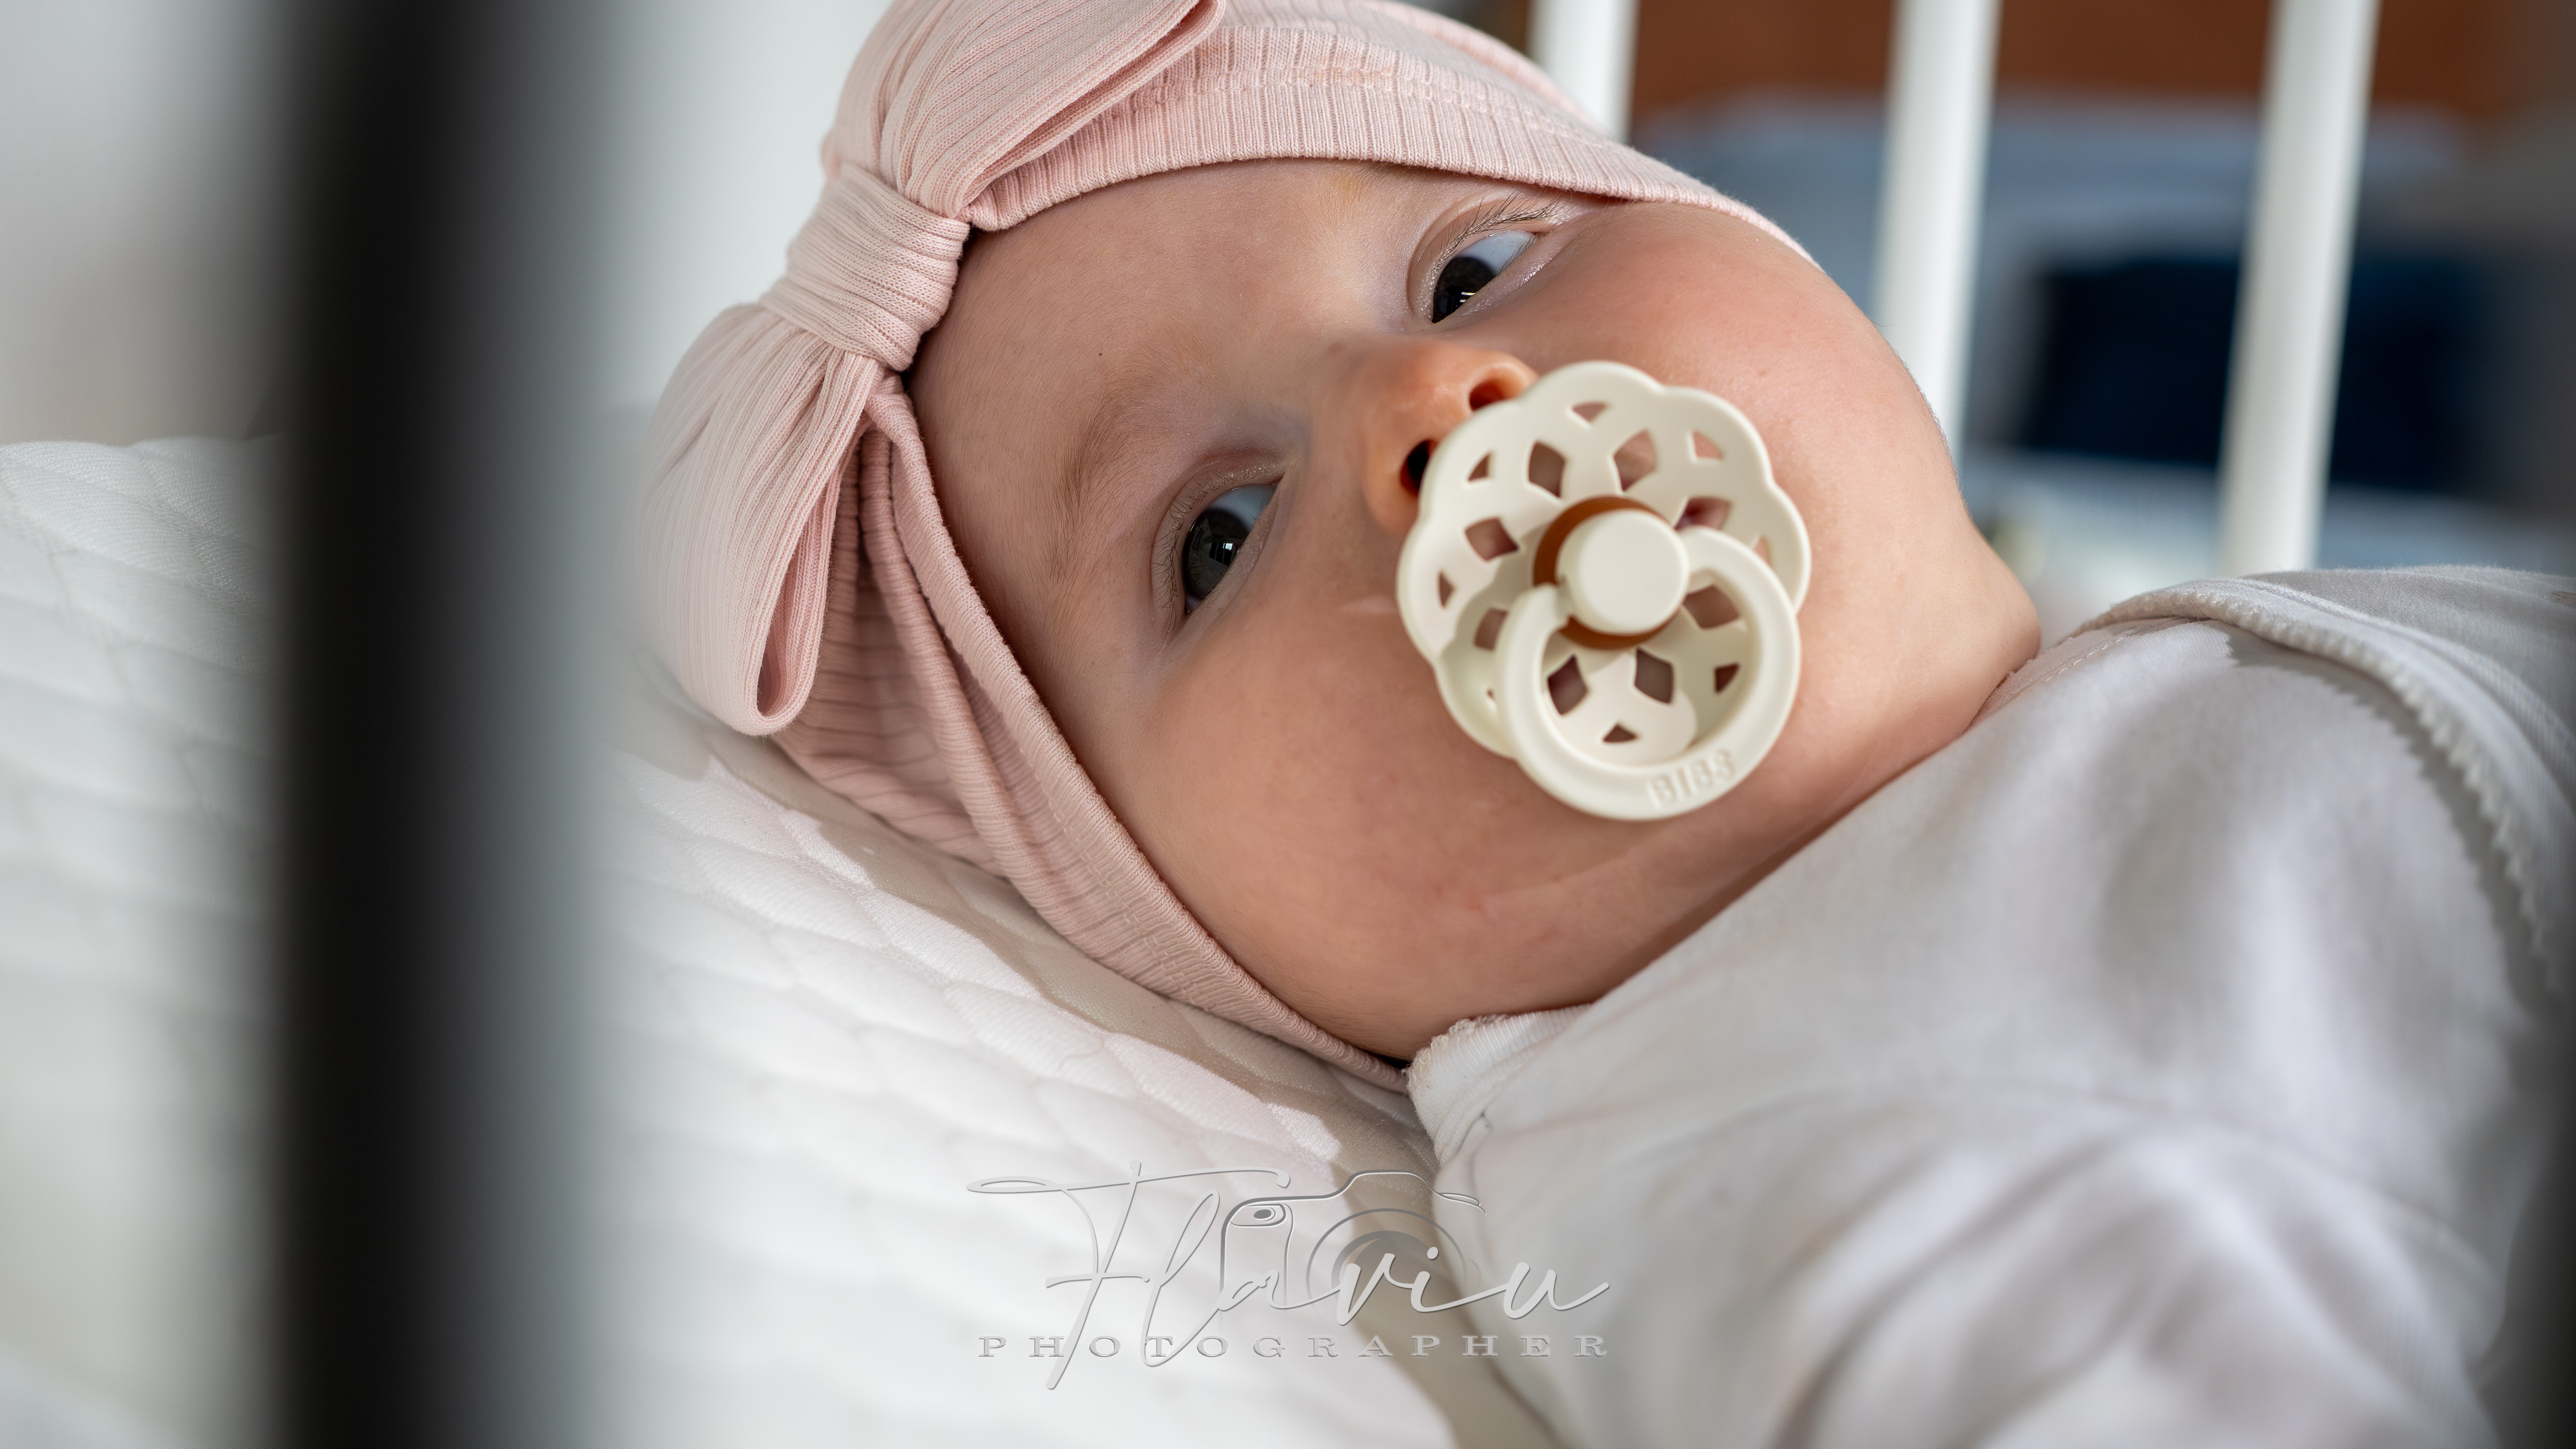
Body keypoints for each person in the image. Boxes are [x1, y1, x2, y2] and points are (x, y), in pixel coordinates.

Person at [638, 1, 2571, 1442]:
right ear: (1178, 927)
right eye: (1214, 537)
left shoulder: (2124, 687)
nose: (1432, 406)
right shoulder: (1814, 1114)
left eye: (1476, 266)